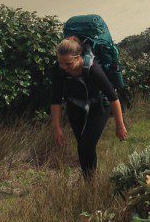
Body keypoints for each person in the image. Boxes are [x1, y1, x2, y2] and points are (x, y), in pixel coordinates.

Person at [49, 36, 127, 177]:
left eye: (68, 64)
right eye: (61, 63)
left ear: (78, 57)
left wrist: (120, 125)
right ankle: (89, 181)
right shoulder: (58, 69)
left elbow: (113, 97)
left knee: (87, 144)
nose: (64, 68)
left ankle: (90, 181)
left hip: (100, 104)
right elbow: (55, 100)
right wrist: (57, 128)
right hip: (75, 103)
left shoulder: (93, 69)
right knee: (82, 146)